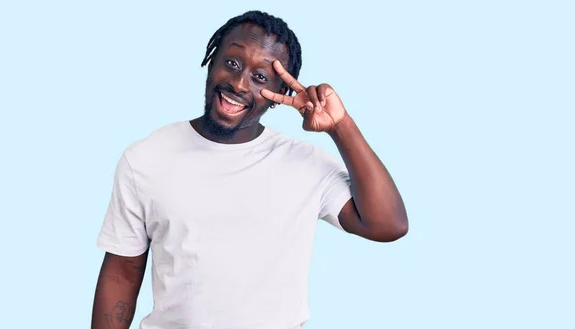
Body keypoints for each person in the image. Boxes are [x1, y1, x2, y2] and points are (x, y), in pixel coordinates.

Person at [91, 10, 408, 329]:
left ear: (279, 96)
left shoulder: (305, 164)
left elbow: (388, 225)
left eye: (260, 77)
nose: (239, 84)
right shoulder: (145, 158)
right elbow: (122, 272)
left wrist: (340, 126)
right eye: (232, 63)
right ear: (211, 61)